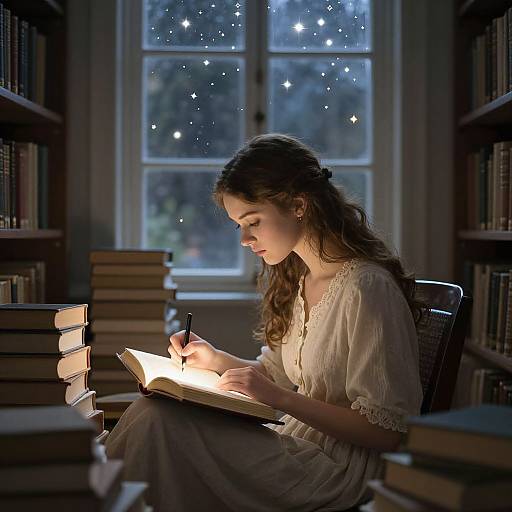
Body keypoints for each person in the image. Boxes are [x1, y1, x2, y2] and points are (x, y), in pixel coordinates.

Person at [105, 133, 423, 511]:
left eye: (252, 221)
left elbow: (387, 432)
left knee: (157, 423)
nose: (244, 238)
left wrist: (280, 399)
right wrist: (216, 359)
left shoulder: (366, 289)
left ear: (299, 206)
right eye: (238, 224)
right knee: (153, 413)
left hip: (340, 471)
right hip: (297, 444)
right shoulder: (302, 279)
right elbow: (277, 376)